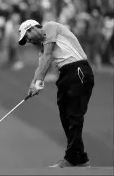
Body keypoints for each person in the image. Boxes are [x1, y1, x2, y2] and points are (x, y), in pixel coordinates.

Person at [18, 19, 94, 168]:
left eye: (27, 37)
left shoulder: (50, 27)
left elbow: (47, 58)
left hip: (78, 70)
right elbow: (41, 66)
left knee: (74, 115)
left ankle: (71, 159)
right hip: (66, 74)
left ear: (31, 29)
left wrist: (39, 81)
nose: (28, 41)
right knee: (65, 114)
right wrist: (33, 84)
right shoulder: (44, 47)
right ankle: (81, 158)